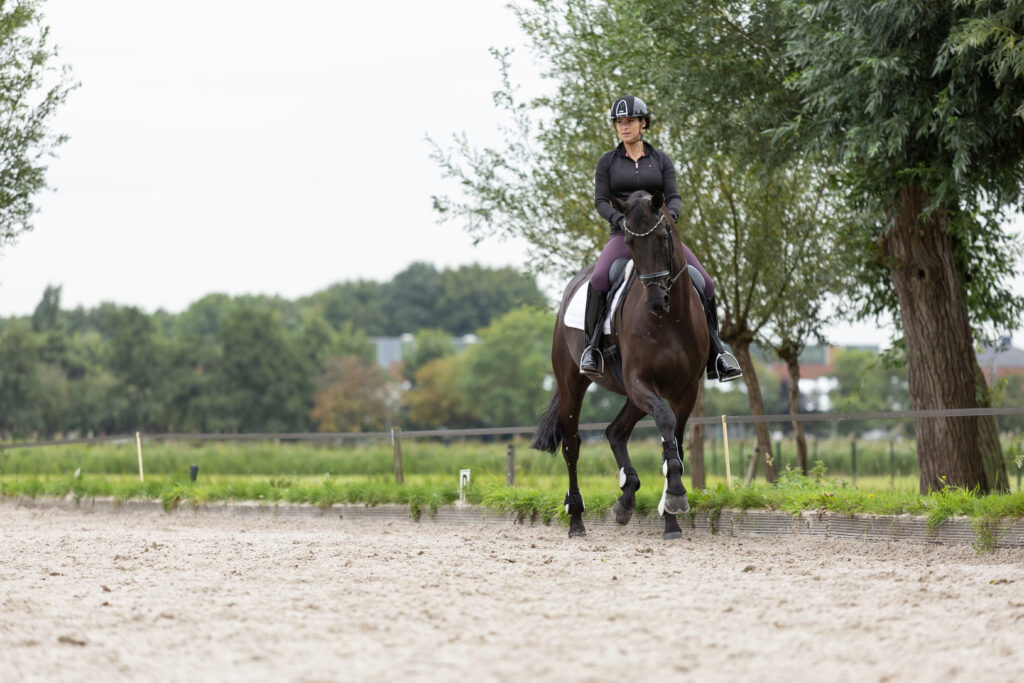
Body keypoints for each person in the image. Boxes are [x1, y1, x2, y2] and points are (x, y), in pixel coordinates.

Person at [579, 94, 742, 383]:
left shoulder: (661, 160)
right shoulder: (607, 162)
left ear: (643, 123)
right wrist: (619, 219)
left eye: (629, 121)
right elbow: (601, 201)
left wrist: (670, 218)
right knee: (600, 279)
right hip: (624, 236)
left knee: (705, 283)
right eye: (619, 122)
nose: (624, 127)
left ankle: (717, 353)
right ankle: (592, 348)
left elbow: (674, 197)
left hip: (659, 237)